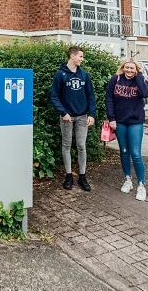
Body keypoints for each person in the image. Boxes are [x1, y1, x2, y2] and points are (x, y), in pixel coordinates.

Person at [105, 59, 148, 201]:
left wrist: (139, 75)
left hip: (135, 121)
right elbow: (109, 99)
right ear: (123, 68)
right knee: (124, 152)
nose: (129, 70)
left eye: (132, 68)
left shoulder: (140, 80)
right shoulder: (116, 79)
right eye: (127, 68)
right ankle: (128, 179)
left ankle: (141, 185)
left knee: (136, 153)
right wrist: (111, 118)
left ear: (136, 70)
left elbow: (146, 93)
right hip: (119, 121)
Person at [50, 46, 96, 191]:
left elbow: (91, 95)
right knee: (66, 146)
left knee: (82, 146)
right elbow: (54, 96)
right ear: (72, 56)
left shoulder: (84, 75)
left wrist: (92, 114)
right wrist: (63, 112)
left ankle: (82, 176)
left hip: (82, 116)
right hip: (67, 117)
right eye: (80, 56)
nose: (82, 59)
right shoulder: (60, 75)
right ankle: (68, 175)